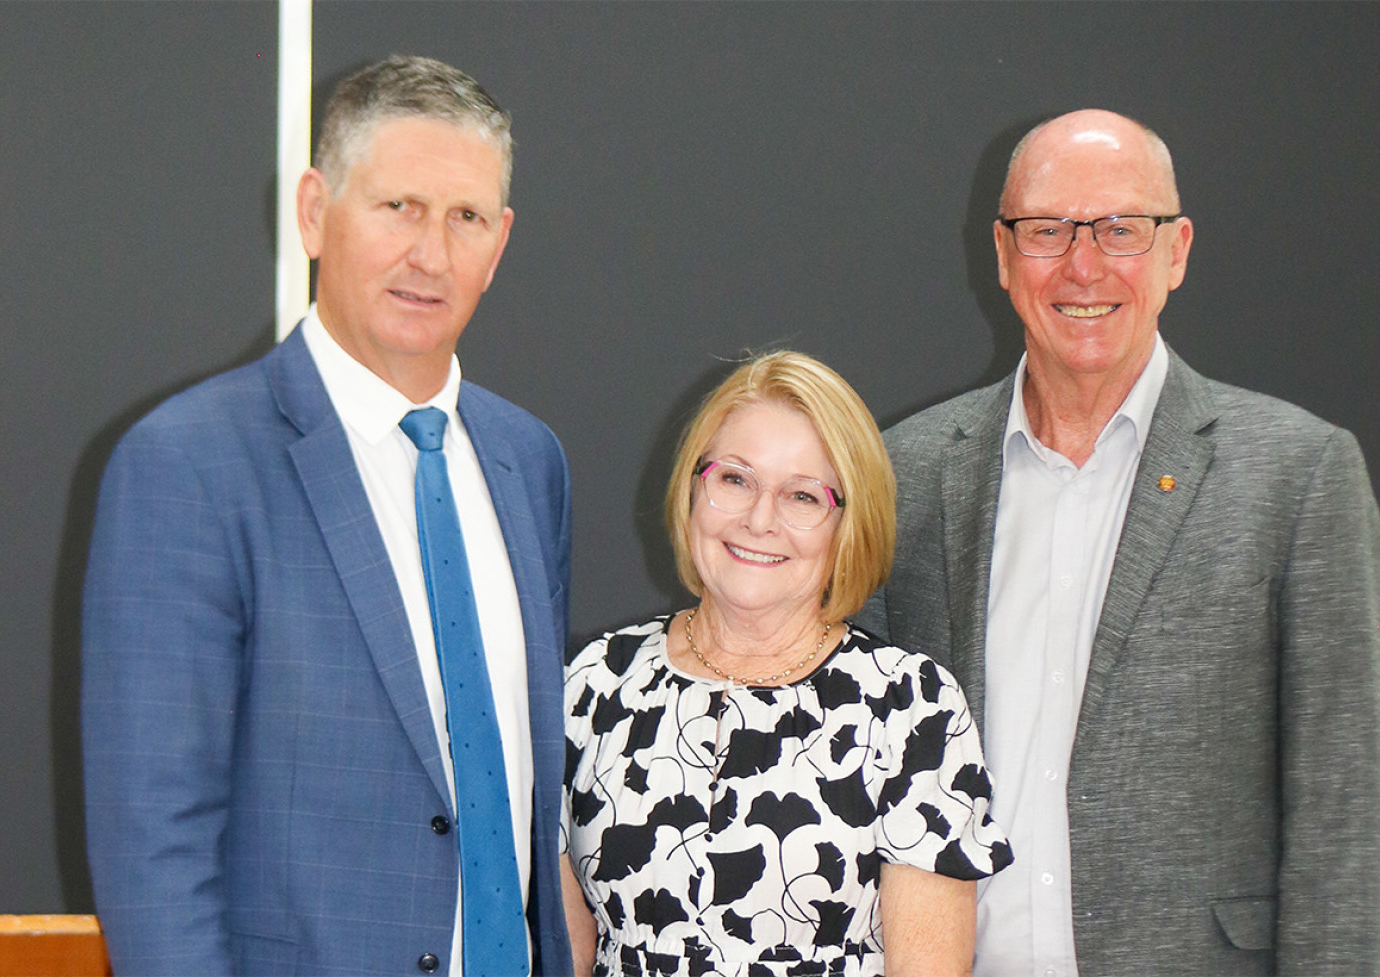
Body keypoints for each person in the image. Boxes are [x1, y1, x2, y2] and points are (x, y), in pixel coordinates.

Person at [857, 109, 1380, 975]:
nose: (1084, 263)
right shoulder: (906, 473)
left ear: (1176, 251)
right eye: (1048, 229)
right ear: (1001, 254)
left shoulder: (1299, 474)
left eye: (1121, 230)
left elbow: (1347, 815)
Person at [82, 55, 572, 976]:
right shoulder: (188, 464)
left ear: (499, 244)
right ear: (313, 211)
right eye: (398, 208)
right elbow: (155, 847)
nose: (431, 253)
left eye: (464, 217)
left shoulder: (529, 463)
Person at [560, 351, 1012, 977]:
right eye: (735, 479)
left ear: (848, 525)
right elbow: (565, 955)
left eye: (802, 496)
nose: (760, 520)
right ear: (694, 486)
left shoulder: (909, 708)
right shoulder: (593, 686)